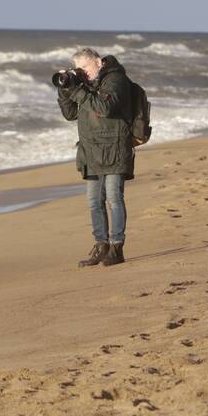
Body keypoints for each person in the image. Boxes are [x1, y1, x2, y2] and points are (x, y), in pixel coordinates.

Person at [56, 48, 135, 267]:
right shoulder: (85, 84)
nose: (82, 73)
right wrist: (65, 89)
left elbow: (105, 107)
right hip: (91, 151)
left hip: (114, 149)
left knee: (113, 198)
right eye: (78, 69)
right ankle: (101, 246)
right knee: (94, 202)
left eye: (85, 68)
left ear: (99, 62)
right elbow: (70, 114)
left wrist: (79, 90)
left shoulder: (116, 80)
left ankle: (116, 247)